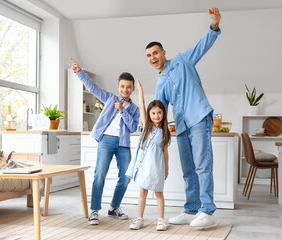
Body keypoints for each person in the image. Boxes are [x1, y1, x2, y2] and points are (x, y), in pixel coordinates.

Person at [144, 7, 221, 227]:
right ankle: (191, 209)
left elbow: (202, 45)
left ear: (163, 52)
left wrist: (214, 24)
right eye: (149, 56)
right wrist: (151, 130)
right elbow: (159, 110)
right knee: (188, 170)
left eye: (155, 53)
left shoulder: (183, 61)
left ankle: (207, 211)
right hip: (182, 127)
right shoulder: (160, 83)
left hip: (199, 118)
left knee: (202, 166)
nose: (153, 58)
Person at [70, 57, 140, 225]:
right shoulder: (109, 98)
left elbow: (132, 128)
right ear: (118, 87)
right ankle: (94, 211)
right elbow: (93, 88)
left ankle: (114, 207)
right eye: (122, 86)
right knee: (99, 174)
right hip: (106, 141)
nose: (125, 89)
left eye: (129, 87)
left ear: (133, 89)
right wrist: (80, 72)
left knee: (126, 177)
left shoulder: (135, 109)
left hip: (123, 144)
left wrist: (122, 110)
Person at [126, 79, 170, 231]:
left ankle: (161, 220)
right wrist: (140, 91)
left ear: (163, 114)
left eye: (159, 113)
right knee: (142, 192)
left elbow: (165, 152)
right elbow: (142, 105)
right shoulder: (146, 127)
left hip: (157, 167)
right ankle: (139, 218)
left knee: (159, 193)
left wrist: (167, 168)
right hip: (144, 166)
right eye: (153, 113)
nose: (156, 115)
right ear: (149, 114)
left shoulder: (164, 132)